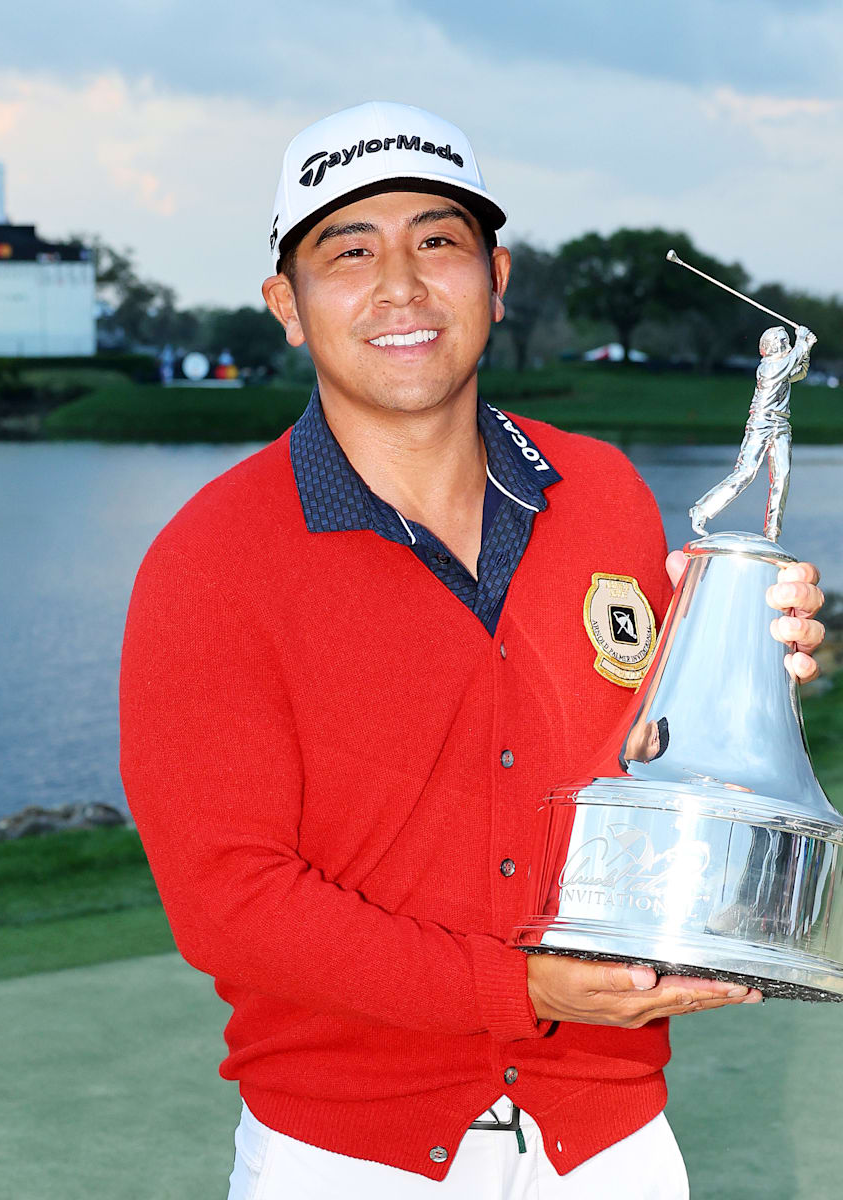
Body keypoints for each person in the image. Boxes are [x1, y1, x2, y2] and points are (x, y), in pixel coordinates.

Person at [118, 101, 826, 1199]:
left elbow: (646, 757)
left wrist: (737, 652)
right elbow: (229, 901)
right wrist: (519, 988)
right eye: (350, 252)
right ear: (287, 306)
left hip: (613, 1144)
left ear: (495, 280)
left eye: (437, 241)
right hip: (347, 1160)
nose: (401, 285)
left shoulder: (604, 493)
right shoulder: (209, 559)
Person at [689, 323, 816, 541]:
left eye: (787, 341)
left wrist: (807, 349)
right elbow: (791, 361)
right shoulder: (768, 367)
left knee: (782, 477)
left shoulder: (783, 366)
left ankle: (772, 532)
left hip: (781, 425)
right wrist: (802, 341)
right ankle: (701, 510)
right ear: (773, 346)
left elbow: (799, 372)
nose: (787, 345)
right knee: (745, 473)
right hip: (761, 424)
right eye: (783, 342)